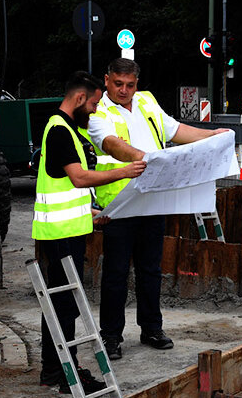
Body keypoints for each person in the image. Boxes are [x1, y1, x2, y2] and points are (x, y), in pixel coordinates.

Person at [86, 58, 229, 360]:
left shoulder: (147, 101)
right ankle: (110, 336)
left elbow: (175, 130)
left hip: (153, 198)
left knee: (151, 270)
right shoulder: (98, 110)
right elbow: (111, 144)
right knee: (115, 273)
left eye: (129, 85)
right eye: (117, 84)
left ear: (137, 83)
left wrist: (211, 135)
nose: (124, 90)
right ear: (107, 79)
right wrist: (147, 158)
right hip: (118, 204)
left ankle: (151, 327)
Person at [34, 71, 146, 393]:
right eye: (95, 103)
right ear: (80, 98)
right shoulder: (59, 131)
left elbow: (67, 189)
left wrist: (91, 212)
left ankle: (54, 372)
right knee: (64, 307)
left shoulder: (66, 129)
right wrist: (124, 171)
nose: (96, 109)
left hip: (66, 230)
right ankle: (64, 374)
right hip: (59, 235)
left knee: (60, 307)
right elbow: (79, 178)